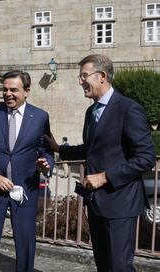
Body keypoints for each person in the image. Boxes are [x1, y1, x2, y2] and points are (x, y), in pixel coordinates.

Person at [45, 54, 156, 272]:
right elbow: (92, 148)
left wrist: (105, 177)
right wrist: (60, 149)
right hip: (96, 203)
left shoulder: (128, 109)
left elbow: (146, 158)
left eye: (84, 76)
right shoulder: (91, 111)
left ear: (102, 76)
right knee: (104, 265)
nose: (80, 81)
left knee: (119, 266)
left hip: (120, 203)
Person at [0, 70, 54, 272]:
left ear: (27, 91)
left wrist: (47, 164)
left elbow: (47, 150)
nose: (8, 93)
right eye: (5, 89)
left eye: (13, 90)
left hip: (25, 188)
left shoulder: (40, 117)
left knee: (26, 243)